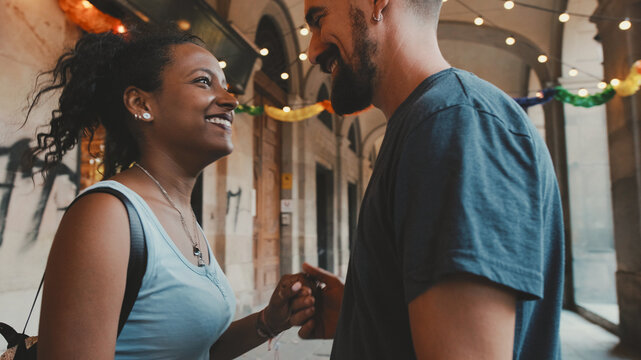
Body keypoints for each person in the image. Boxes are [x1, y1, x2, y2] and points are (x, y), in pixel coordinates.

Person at [25, 25, 316, 359]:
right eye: (203, 81)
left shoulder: (180, 212)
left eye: (225, 85)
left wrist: (268, 320)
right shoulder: (107, 216)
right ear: (140, 103)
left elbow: (195, 350)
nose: (231, 100)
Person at [298, 0, 565, 359]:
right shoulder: (431, 123)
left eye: (318, 19)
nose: (312, 51)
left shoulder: (452, 124)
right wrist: (363, 313)